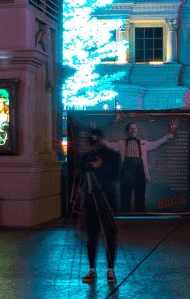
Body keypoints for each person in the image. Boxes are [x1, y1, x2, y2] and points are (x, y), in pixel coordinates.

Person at [75, 129, 121, 283]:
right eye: (92, 143)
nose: (95, 146)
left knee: (109, 236)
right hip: (90, 202)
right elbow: (79, 173)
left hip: (106, 201)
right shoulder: (86, 157)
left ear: (102, 139)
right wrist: (80, 187)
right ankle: (91, 270)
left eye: (97, 141)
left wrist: (101, 166)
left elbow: (116, 174)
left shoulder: (112, 156)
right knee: (91, 237)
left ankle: (110, 270)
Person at [117, 119, 176, 212]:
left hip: (140, 174)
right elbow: (109, 145)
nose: (133, 130)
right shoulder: (121, 143)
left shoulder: (143, 143)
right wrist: (98, 136)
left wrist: (170, 133)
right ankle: (125, 218)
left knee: (140, 200)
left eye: (134, 128)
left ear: (137, 130)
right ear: (127, 131)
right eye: (130, 128)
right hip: (126, 174)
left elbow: (156, 144)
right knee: (125, 200)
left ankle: (141, 218)